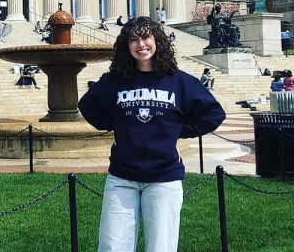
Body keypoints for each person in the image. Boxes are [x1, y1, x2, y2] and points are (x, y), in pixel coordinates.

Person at [78, 16, 226, 252]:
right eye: (134, 39)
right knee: (111, 246)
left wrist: (177, 133)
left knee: (161, 247)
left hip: (164, 178)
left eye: (146, 37)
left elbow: (213, 114)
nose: (141, 45)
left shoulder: (179, 81)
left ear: (158, 40)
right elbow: (88, 106)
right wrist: (116, 124)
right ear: (126, 45)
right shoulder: (115, 81)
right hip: (121, 178)